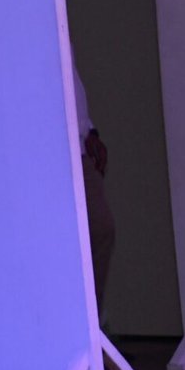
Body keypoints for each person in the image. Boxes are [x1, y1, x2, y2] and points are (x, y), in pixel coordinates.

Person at [74, 67, 115, 318]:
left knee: (100, 229)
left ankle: (92, 321)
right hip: (45, 146)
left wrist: (90, 130)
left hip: (78, 146)